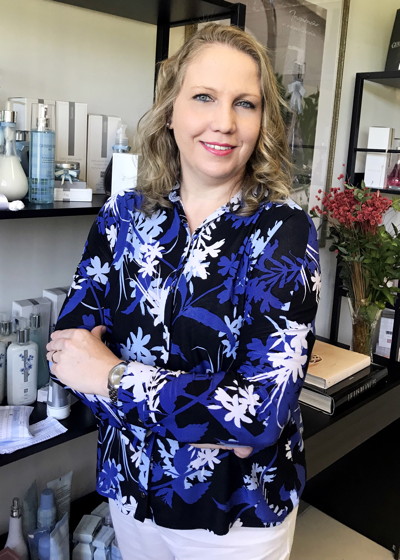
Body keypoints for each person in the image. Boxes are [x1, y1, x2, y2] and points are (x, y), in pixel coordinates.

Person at [46, 23, 320, 560]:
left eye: (245, 103)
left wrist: (113, 375)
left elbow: (260, 415)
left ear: (262, 120)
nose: (225, 122)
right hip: (131, 494)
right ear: (171, 110)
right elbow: (66, 354)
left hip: (237, 515)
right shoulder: (122, 216)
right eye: (204, 97)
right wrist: (216, 422)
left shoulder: (284, 231)